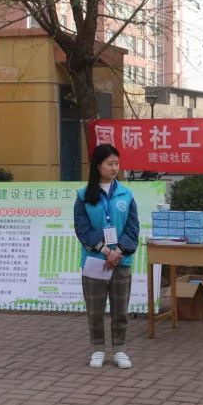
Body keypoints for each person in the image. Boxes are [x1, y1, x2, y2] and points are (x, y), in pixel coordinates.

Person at [73, 144, 140, 369]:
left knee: (120, 309)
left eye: (117, 164)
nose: (114, 168)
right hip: (95, 262)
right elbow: (83, 229)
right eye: (110, 164)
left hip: (121, 262)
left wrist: (119, 251)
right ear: (98, 165)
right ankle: (98, 349)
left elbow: (132, 228)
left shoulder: (126, 194)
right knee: (95, 310)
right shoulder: (83, 196)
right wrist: (105, 251)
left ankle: (120, 350)